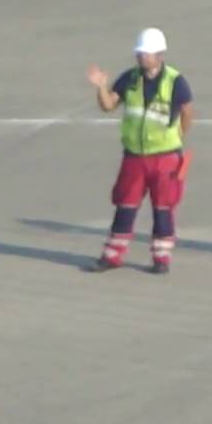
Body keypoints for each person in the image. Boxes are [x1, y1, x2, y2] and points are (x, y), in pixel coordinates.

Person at [85, 27, 195, 274]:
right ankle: (112, 256)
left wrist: (177, 137)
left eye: (147, 53)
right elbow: (108, 105)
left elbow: (188, 113)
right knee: (125, 204)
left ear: (160, 54)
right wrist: (101, 86)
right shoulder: (130, 78)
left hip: (165, 157)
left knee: (163, 208)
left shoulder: (176, 81)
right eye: (140, 53)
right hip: (134, 157)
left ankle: (161, 258)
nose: (142, 57)